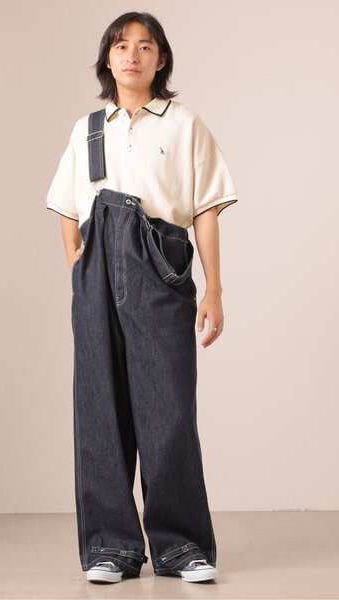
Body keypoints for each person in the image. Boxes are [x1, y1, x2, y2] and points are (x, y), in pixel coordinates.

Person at [46, 11, 238, 584]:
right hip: (97, 272)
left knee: (168, 409)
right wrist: (78, 264)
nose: (132, 55)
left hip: (162, 265)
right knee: (99, 410)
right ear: (108, 59)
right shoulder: (88, 129)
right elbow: (67, 204)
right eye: (121, 45)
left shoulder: (184, 124)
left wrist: (214, 289)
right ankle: (111, 548)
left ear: (161, 59)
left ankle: (181, 547)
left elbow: (205, 208)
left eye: (145, 46)